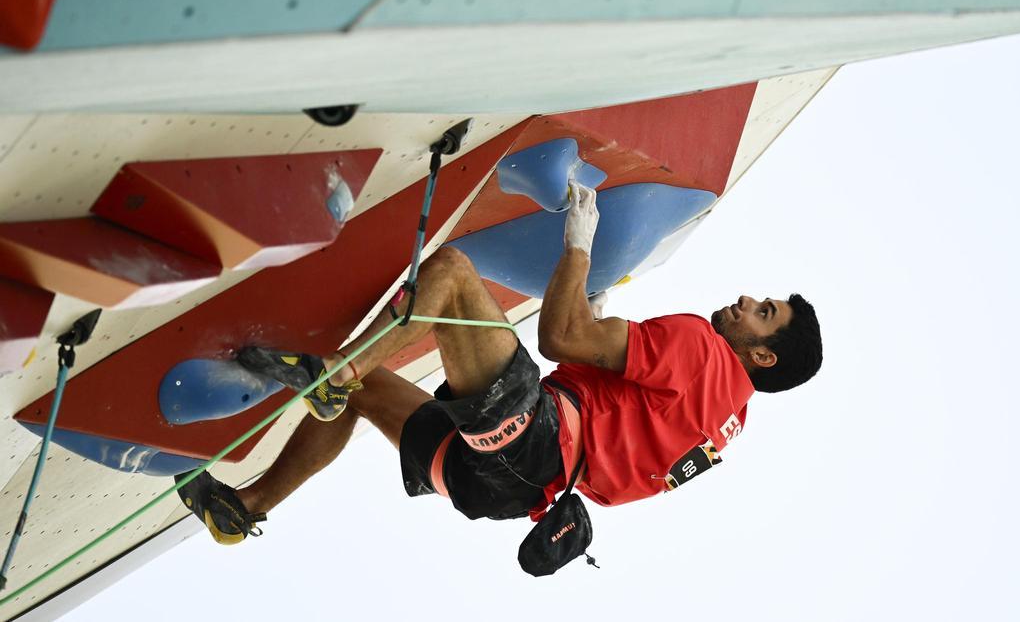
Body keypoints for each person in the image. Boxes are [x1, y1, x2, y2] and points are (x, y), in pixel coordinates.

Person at [176, 182, 823, 543]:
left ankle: (334, 372)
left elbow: (561, 337)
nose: (745, 300)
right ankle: (247, 506)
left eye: (762, 310)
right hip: (505, 491)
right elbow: (619, 447)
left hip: (531, 441)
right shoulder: (720, 428)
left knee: (453, 275)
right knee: (371, 391)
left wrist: (578, 246)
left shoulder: (704, 352)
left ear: (762, 355)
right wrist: (592, 340)